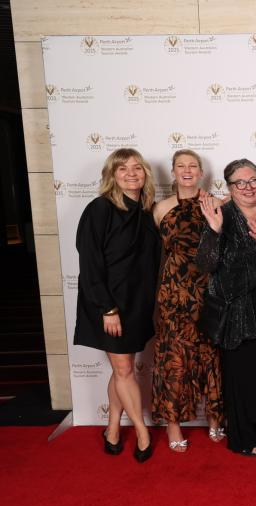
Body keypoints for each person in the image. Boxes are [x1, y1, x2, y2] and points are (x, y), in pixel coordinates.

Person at [74, 148, 160, 462]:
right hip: (110, 306)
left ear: (145, 174)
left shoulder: (146, 210)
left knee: (120, 369)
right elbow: (90, 263)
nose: (131, 173)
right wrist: (107, 309)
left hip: (137, 304)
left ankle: (112, 427)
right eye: (122, 169)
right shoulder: (100, 208)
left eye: (137, 168)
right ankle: (141, 431)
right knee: (125, 370)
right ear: (112, 175)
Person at [196, 159, 256, 457]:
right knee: (242, 373)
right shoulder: (221, 215)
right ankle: (243, 436)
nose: (249, 188)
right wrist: (214, 231)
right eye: (241, 183)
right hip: (238, 307)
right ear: (229, 187)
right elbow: (206, 265)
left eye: (254, 181)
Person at [151, 149, 224, 452]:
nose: (187, 170)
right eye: (181, 166)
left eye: (193, 165)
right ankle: (173, 426)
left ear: (201, 172)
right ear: (173, 172)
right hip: (173, 294)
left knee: (211, 357)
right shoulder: (159, 209)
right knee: (174, 362)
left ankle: (216, 421)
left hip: (208, 292)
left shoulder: (217, 204)